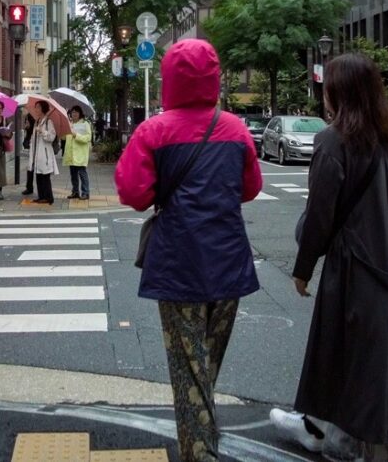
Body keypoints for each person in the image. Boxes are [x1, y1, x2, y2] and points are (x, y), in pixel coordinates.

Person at [272, 53, 388, 461]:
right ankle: (380, 440)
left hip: (355, 268)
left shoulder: (332, 142)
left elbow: (320, 215)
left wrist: (302, 269)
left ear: (339, 93)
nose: (323, 94)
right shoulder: (387, 141)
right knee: (379, 356)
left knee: (346, 353)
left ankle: (344, 442)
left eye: (327, 87)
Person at [115, 39, 262, 462]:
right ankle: (204, 436)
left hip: (179, 263)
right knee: (204, 365)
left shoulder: (153, 131)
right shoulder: (235, 129)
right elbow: (250, 188)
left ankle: (200, 453)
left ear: (169, 79)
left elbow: (134, 193)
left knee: (188, 368)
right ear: (214, 77)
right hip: (229, 261)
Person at [29, 100, 58, 205]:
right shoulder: (37, 122)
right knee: (38, 176)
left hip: (44, 154)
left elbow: (52, 137)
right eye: (36, 107)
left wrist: (43, 132)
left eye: (38, 107)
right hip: (37, 153)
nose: (36, 109)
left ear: (43, 109)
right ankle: (41, 196)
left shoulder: (48, 122)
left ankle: (49, 198)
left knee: (45, 176)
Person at [64, 106, 92, 199]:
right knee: (73, 174)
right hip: (71, 153)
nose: (74, 114)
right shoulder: (70, 124)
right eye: (73, 112)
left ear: (80, 113)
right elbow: (65, 138)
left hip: (80, 154)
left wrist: (76, 135)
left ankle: (85, 192)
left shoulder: (85, 124)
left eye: (76, 112)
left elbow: (88, 138)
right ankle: (75, 192)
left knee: (82, 173)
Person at [21, 113, 36, 196]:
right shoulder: (29, 129)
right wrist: (27, 129)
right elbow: (25, 144)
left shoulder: (35, 128)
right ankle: (29, 187)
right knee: (30, 169)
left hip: (37, 150)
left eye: (27, 120)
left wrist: (28, 128)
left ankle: (30, 187)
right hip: (32, 150)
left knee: (35, 170)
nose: (26, 122)